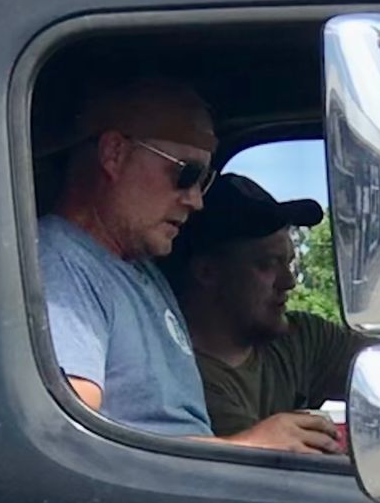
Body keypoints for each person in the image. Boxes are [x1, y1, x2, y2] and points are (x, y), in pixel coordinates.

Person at [37, 84, 345, 453]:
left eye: (204, 181)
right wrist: (247, 447)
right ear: (114, 153)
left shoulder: (139, 270)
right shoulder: (62, 265)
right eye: (185, 174)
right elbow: (67, 442)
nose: (195, 200)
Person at [165, 173, 365, 454]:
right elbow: (267, 469)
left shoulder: (300, 339)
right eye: (268, 264)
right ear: (207, 272)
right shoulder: (182, 380)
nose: (289, 281)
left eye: (289, 263)